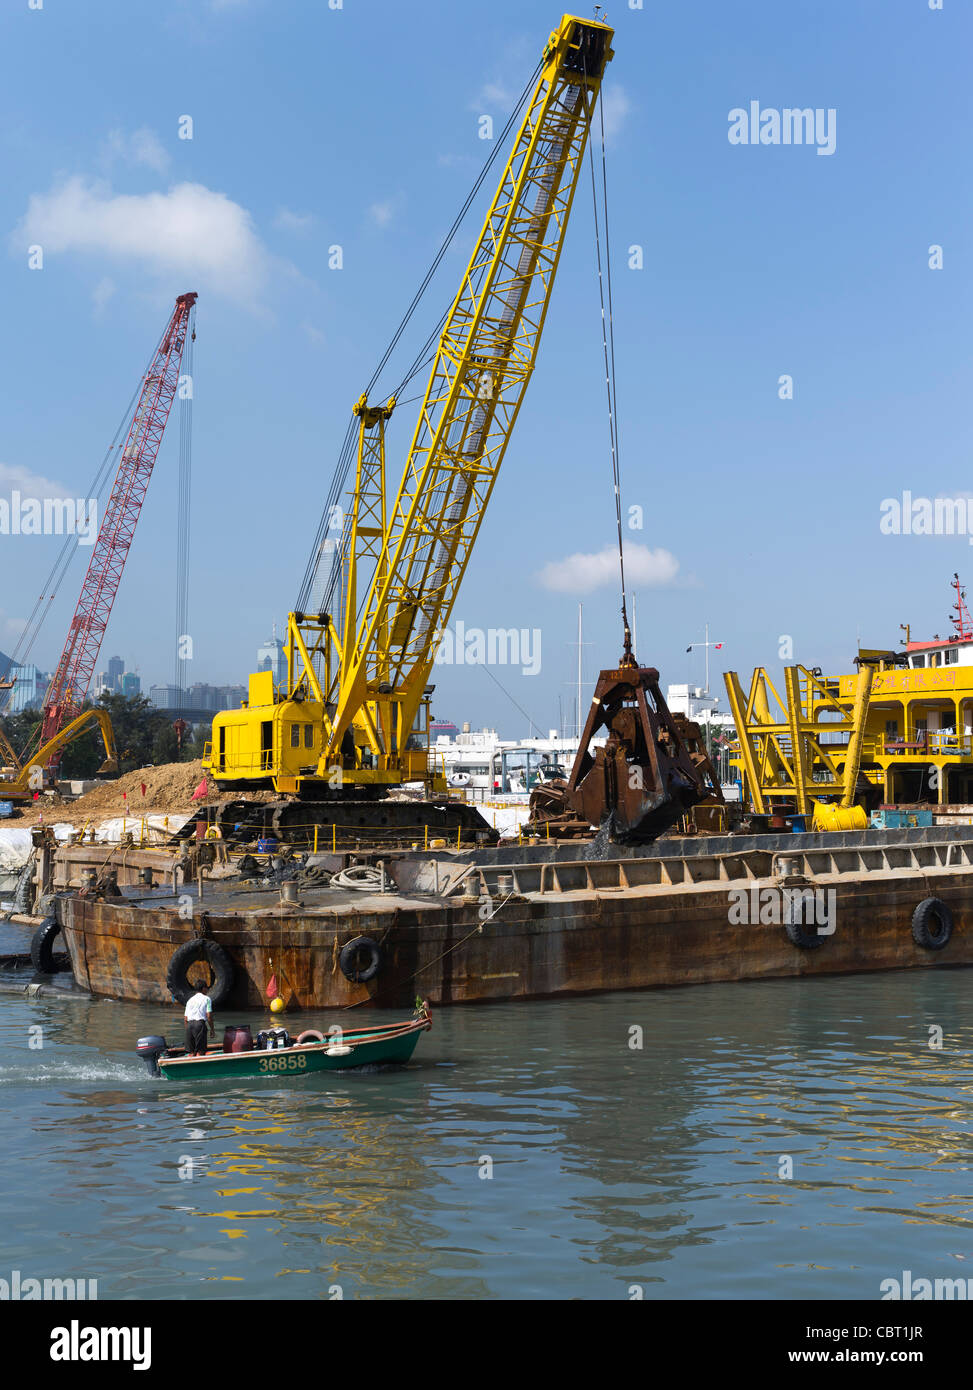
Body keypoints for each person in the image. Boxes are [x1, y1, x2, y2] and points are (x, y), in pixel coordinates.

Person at [184, 978, 214, 1056]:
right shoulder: (207, 999)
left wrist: (188, 1030)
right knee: (201, 1051)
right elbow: (209, 1016)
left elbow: (186, 1018)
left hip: (189, 1026)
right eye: (207, 988)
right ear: (203, 988)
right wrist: (212, 1029)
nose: (207, 990)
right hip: (199, 1025)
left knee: (192, 1052)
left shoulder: (190, 1000)